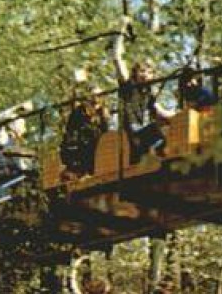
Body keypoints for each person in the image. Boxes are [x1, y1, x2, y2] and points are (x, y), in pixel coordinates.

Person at [112, 16, 175, 160]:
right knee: (155, 131)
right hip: (132, 135)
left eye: (148, 72)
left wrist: (183, 115)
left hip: (143, 133)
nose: (145, 75)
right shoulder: (128, 86)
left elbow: (162, 112)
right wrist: (120, 29)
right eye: (142, 71)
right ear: (135, 73)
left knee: (164, 132)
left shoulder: (148, 93)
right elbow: (117, 58)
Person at [60, 76, 110, 175]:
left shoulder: (103, 113)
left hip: (98, 145)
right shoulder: (79, 112)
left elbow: (105, 130)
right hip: (82, 146)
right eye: (95, 96)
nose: (97, 99)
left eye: (100, 96)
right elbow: (74, 133)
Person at [0, 102, 36, 184]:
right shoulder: (1, 133)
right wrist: (14, 110)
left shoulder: (19, 122)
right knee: (3, 173)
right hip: (0, 152)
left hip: (9, 154)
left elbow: (19, 134)